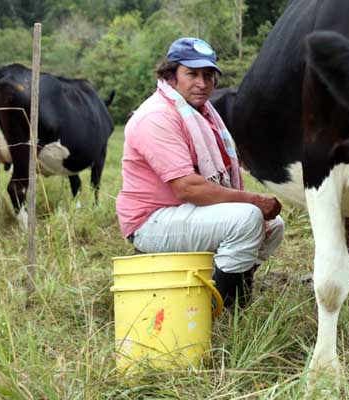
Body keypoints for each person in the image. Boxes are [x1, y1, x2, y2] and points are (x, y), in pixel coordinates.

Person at [116, 37, 284, 309]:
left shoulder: (201, 114)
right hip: (150, 221)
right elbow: (187, 188)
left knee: (274, 226)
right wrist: (252, 200)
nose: (202, 83)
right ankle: (216, 309)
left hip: (184, 212)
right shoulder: (157, 117)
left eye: (208, 75)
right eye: (191, 74)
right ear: (171, 77)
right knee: (248, 218)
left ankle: (232, 286)